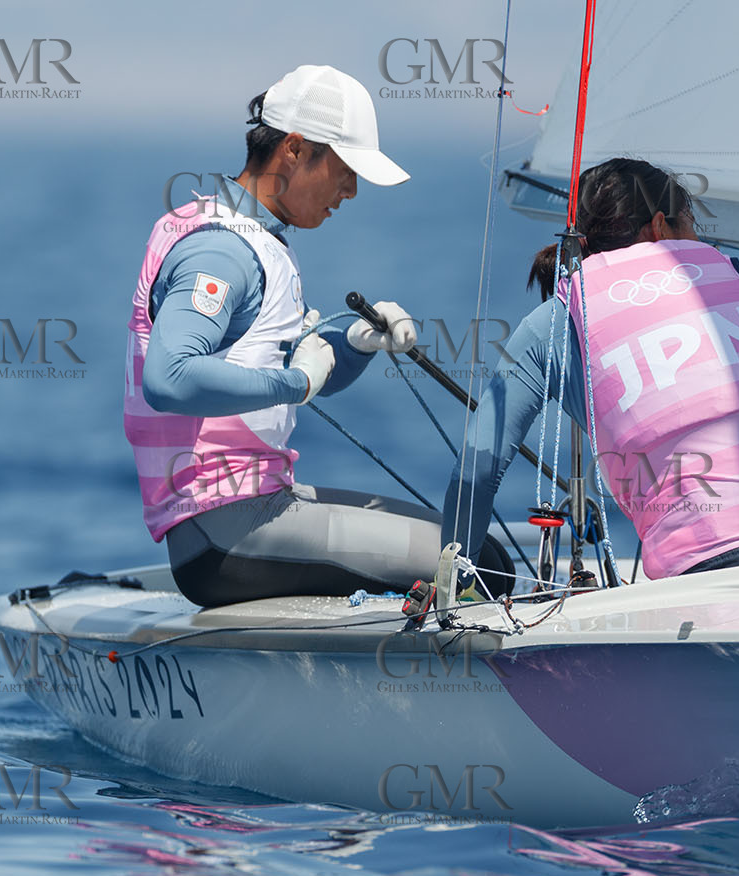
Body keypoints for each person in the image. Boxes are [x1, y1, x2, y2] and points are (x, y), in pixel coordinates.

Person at [124, 64, 509, 607]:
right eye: (346, 169)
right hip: (222, 534)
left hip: (249, 514)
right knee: (481, 566)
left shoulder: (256, 237)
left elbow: (302, 368)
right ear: (296, 150)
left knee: (470, 545)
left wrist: (351, 341)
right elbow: (169, 378)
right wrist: (296, 381)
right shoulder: (220, 251)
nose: (351, 191)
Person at [442, 157, 739, 582]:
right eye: (694, 227)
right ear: (660, 227)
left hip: (716, 566)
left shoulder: (551, 326)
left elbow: (477, 471)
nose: (700, 244)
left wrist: (453, 585)